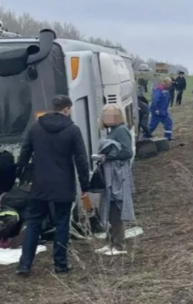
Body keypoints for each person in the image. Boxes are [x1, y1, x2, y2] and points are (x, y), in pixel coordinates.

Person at [16, 95, 90, 276]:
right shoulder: (72, 130)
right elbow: (81, 159)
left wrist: (20, 175)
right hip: (63, 184)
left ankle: (24, 265)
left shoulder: (35, 128)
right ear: (66, 109)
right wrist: (85, 184)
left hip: (39, 184)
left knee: (33, 223)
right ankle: (60, 264)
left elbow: (24, 153)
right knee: (62, 223)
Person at [94, 105, 135, 256]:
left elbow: (127, 152)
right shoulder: (113, 131)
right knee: (109, 208)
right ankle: (110, 241)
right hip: (111, 174)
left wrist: (107, 157)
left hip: (118, 176)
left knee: (116, 208)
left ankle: (118, 245)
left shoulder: (121, 131)